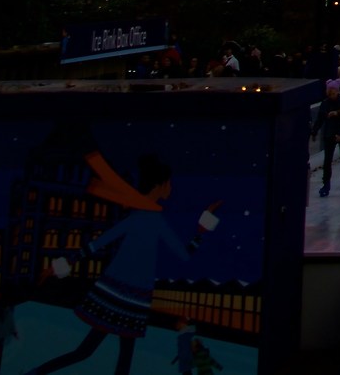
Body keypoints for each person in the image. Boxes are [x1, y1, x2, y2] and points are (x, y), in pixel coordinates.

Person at [22, 152, 218, 375]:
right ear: (159, 185)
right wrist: (202, 228)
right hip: (129, 297)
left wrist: (59, 266)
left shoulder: (140, 216)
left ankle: (37, 372)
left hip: (118, 293)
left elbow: (97, 244)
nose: (171, 187)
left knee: (90, 351)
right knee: (116, 357)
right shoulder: (152, 219)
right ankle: (37, 373)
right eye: (169, 183)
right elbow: (184, 254)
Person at [315, 81, 340, 200]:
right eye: (329, 91)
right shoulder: (325, 104)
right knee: (327, 160)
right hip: (330, 134)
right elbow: (320, 118)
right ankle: (326, 185)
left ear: (337, 91)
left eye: (333, 91)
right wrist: (314, 130)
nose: (331, 93)